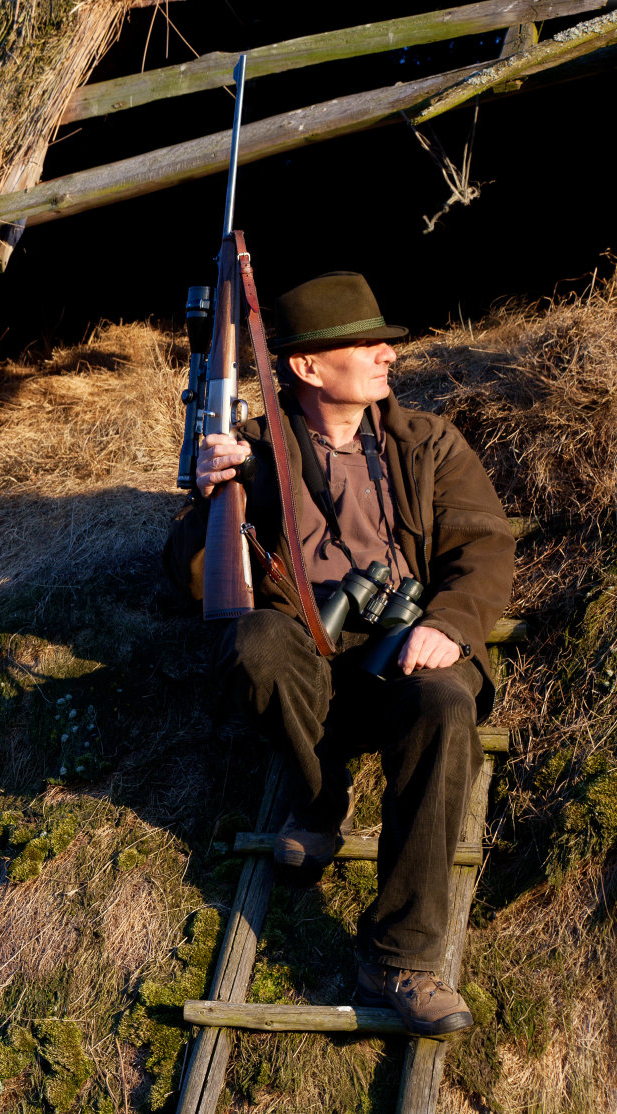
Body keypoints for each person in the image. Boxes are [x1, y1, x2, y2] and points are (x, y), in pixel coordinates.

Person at [164, 271, 514, 1039]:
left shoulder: (427, 443)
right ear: (307, 366)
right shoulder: (257, 453)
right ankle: (319, 799)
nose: (388, 353)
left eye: (385, 342)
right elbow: (193, 582)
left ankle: (401, 958)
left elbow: (484, 549)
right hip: (307, 669)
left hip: (404, 657)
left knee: (446, 702)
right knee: (253, 641)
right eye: (365, 343)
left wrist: (449, 624)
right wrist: (210, 500)